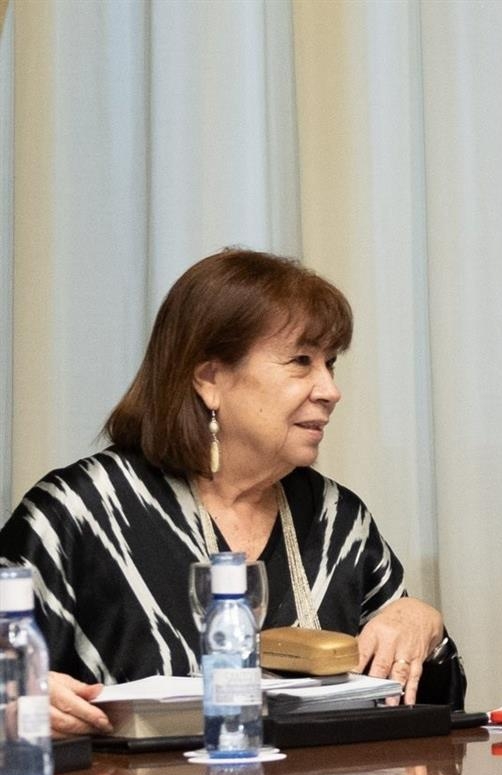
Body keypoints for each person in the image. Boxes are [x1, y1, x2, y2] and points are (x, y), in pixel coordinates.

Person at [0, 249, 465, 733]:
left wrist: (421, 623)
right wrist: (12, 698)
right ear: (211, 380)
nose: (329, 390)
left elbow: (429, 716)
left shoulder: (338, 520)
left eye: (330, 364)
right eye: (301, 362)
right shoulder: (79, 512)